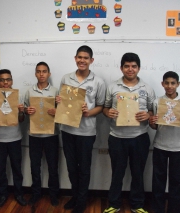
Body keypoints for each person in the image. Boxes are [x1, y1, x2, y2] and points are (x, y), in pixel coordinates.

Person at [103, 53, 156, 213]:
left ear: (138, 68)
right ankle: (114, 204)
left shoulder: (147, 88)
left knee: (138, 173)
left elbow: (154, 112)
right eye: (127, 66)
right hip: (117, 138)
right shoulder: (112, 87)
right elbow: (105, 107)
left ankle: (137, 205)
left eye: (133, 66)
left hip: (139, 138)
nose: (130, 69)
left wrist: (148, 115)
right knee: (117, 173)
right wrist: (108, 113)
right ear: (121, 68)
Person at [57, 45, 106, 213]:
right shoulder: (66, 78)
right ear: (75, 58)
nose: (82, 60)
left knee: (84, 168)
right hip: (67, 129)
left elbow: (101, 106)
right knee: (71, 167)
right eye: (79, 57)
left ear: (91, 60)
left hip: (86, 131)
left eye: (85, 58)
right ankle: (75, 196)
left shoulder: (98, 81)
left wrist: (88, 113)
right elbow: (61, 102)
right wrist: (59, 101)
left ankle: (82, 201)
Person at [149, 71, 180, 213]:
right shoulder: (157, 102)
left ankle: (174, 210)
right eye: (167, 83)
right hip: (160, 145)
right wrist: (152, 122)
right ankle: (157, 209)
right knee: (158, 181)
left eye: (173, 83)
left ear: (178, 84)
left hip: (178, 147)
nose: (169, 86)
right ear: (162, 84)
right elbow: (154, 126)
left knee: (175, 182)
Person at [24, 62, 60, 206]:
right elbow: (25, 109)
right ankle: (36, 194)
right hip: (34, 135)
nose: (41, 74)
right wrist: (27, 111)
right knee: (35, 167)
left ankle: (54, 194)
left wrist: (57, 111)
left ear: (49, 74)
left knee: (53, 167)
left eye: (44, 71)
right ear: (35, 74)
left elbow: (63, 112)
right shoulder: (29, 91)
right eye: (38, 71)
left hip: (51, 135)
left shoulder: (56, 91)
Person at [0, 69, 27, 207]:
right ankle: (2, 194)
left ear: (12, 81)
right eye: (2, 80)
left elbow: (21, 120)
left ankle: (19, 193)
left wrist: (21, 111)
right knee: (0, 169)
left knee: (17, 168)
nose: (5, 82)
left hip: (15, 138)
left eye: (8, 79)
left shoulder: (19, 95)